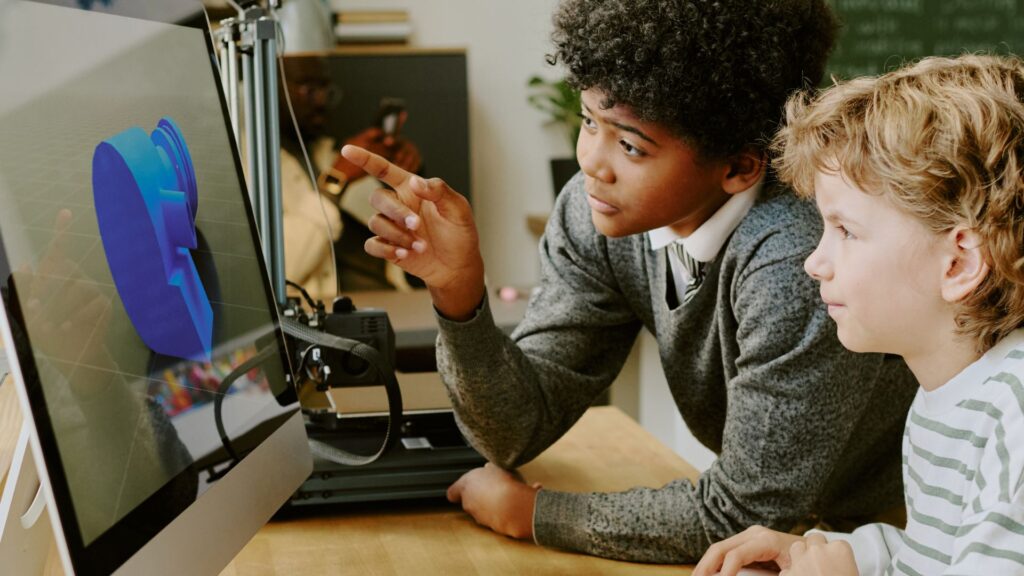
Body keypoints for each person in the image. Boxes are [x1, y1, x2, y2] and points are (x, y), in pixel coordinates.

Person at [341, 0, 918, 564]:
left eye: (631, 145)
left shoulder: (798, 260)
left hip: (905, 538)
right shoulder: (597, 217)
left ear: (740, 167)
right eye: (589, 121)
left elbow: (742, 514)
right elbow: (515, 428)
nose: (592, 161)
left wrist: (536, 516)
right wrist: (459, 295)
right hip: (802, 542)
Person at [694, 53, 1024, 575]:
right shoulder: (954, 394)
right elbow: (938, 560)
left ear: (959, 263)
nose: (814, 261)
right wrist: (844, 554)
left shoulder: (1015, 419)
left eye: (845, 230)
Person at [279, 55, 421, 300]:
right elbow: (285, 268)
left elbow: (400, 236)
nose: (322, 101)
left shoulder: (323, 153)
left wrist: (404, 177)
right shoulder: (249, 165)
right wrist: (337, 178)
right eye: (309, 89)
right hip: (321, 319)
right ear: (269, 85)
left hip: (392, 300)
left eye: (326, 90)